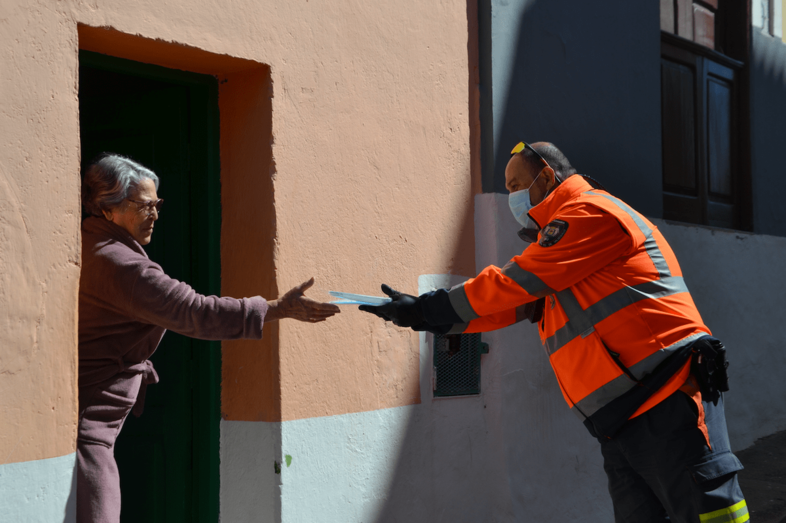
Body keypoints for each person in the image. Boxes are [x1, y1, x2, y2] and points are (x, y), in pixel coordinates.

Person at [360, 142, 748, 523]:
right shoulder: (560, 244)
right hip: (623, 422)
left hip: (667, 400)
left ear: (546, 176)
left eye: (516, 185)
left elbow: (515, 284)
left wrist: (431, 306)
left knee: (712, 515)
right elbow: (516, 304)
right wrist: (424, 317)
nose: (512, 196)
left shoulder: (590, 212)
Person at [77, 153, 340, 523]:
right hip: (89, 430)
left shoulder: (88, 242)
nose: (155, 214)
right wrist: (277, 308)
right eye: (144, 205)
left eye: (158, 204)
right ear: (108, 209)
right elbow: (196, 312)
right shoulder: (124, 266)